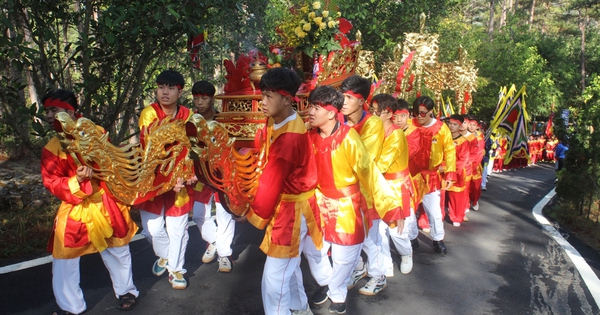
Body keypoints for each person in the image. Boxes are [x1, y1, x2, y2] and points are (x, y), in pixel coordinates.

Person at [305, 85, 404, 314]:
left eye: (316, 107)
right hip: (317, 202)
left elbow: (369, 172)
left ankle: (337, 292)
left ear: (331, 112)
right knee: (312, 250)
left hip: (346, 206)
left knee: (343, 256)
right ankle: (327, 283)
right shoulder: (308, 136)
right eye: (310, 106)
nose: (310, 112)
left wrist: (391, 208)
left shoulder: (348, 137)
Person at [41, 89, 139, 314]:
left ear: (72, 112)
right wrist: (77, 181)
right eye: (47, 111)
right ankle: (71, 307)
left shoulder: (97, 133)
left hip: (105, 202)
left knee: (118, 250)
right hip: (75, 206)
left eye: (53, 110)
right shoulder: (51, 148)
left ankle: (127, 291)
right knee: (64, 256)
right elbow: (53, 182)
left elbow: (113, 164)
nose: (48, 115)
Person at [243, 67, 322, 315]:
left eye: (269, 96)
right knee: (290, 267)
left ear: (287, 99)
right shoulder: (282, 119)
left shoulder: (289, 137)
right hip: (289, 204)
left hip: (291, 211)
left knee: (274, 279)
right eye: (262, 96)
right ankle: (300, 308)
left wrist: (249, 210)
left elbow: (271, 182)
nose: (262, 103)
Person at [137, 70, 195, 290]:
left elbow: (192, 146)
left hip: (180, 180)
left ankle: (176, 270)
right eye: (161, 87)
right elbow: (150, 146)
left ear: (179, 92)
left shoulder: (188, 115)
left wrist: (186, 173)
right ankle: (165, 255)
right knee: (151, 229)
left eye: (170, 88)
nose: (165, 92)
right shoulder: (149, 113)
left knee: (178, 228)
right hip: (153, 178)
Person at [340, 75, 396, 295]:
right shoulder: (341, 120)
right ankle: (358, 268)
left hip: (363, 191)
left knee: (368, 239)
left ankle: (378, 275)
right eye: (341, 96)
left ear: (361, 100)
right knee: (347, 238)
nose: (343, 102)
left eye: (348, 97)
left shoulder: (372, 124)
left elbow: (364, 160)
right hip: (342, 191)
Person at [190, 80, 236, 273]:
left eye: (204, 98)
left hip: (222, 173)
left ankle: (224, 255)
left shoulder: (223, 119)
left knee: (225, 213)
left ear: (212, 99)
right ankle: (215, 241)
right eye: (197, 98)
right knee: (199, 213)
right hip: (200, 174)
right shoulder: (191, 121)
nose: (200, 102)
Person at [371, 94, 416, 274]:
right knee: (379, 229)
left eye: (377, 112)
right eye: (372, 111)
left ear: (389, 113)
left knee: (398, 231)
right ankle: (385, 262)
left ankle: (406, 253)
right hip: (378, 184)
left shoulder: (396, 135)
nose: (373, 115)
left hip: (396, 186)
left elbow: (381, 163)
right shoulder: (374, 131)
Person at [411, 96, 456, 254]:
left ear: (431, 112)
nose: (419, 116)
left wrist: (450, 174)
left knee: (435, 212)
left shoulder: (441, 128)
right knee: (409, 211)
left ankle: (438, 239)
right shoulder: (410, 125)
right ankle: (412, 237)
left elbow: (449, 151)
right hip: (412, 176)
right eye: (416, 112)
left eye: (423, 113)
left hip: (431, 176)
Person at [393, 98, 423, 247]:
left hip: (408, 176)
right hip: (391, 177)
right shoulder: (388, 129)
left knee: (409, 209)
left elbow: (410, 151)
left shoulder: (413, 132)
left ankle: (412, 236)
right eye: (395, 116)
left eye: (402, 116)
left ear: (408, 115)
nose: (398, 120)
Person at [445, 115, 470, 226]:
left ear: (460, 126)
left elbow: (462, 160)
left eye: (455, 124)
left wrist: (449, 169)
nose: (451, 126)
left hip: (457, 173)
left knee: (456, 197)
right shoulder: (444, 137)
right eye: (450, 123)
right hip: (442, 170)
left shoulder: (463, 141)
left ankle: (456, 217)